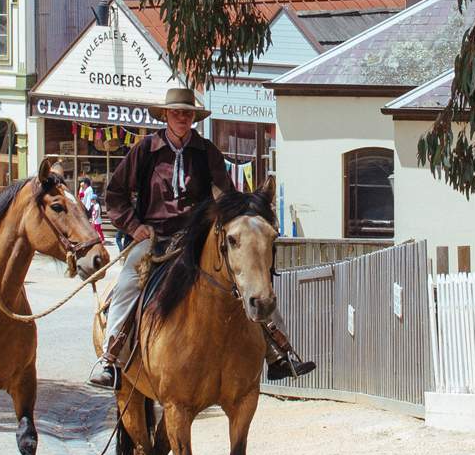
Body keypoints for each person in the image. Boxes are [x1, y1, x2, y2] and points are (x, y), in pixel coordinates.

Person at [91, 86, 314, 388]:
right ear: (166, 115)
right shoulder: (145, 150)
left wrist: (237, 217)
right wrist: (133, 226)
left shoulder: (207, 151)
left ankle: (280, 352)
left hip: (198, 235)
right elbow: (115, 193)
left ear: (193, 117)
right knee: (129, 278)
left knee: (249, 275)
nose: (182, 117)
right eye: (176, 112)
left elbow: (225, 195)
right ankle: (110, 358)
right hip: (154, 235)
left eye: (187, 113)